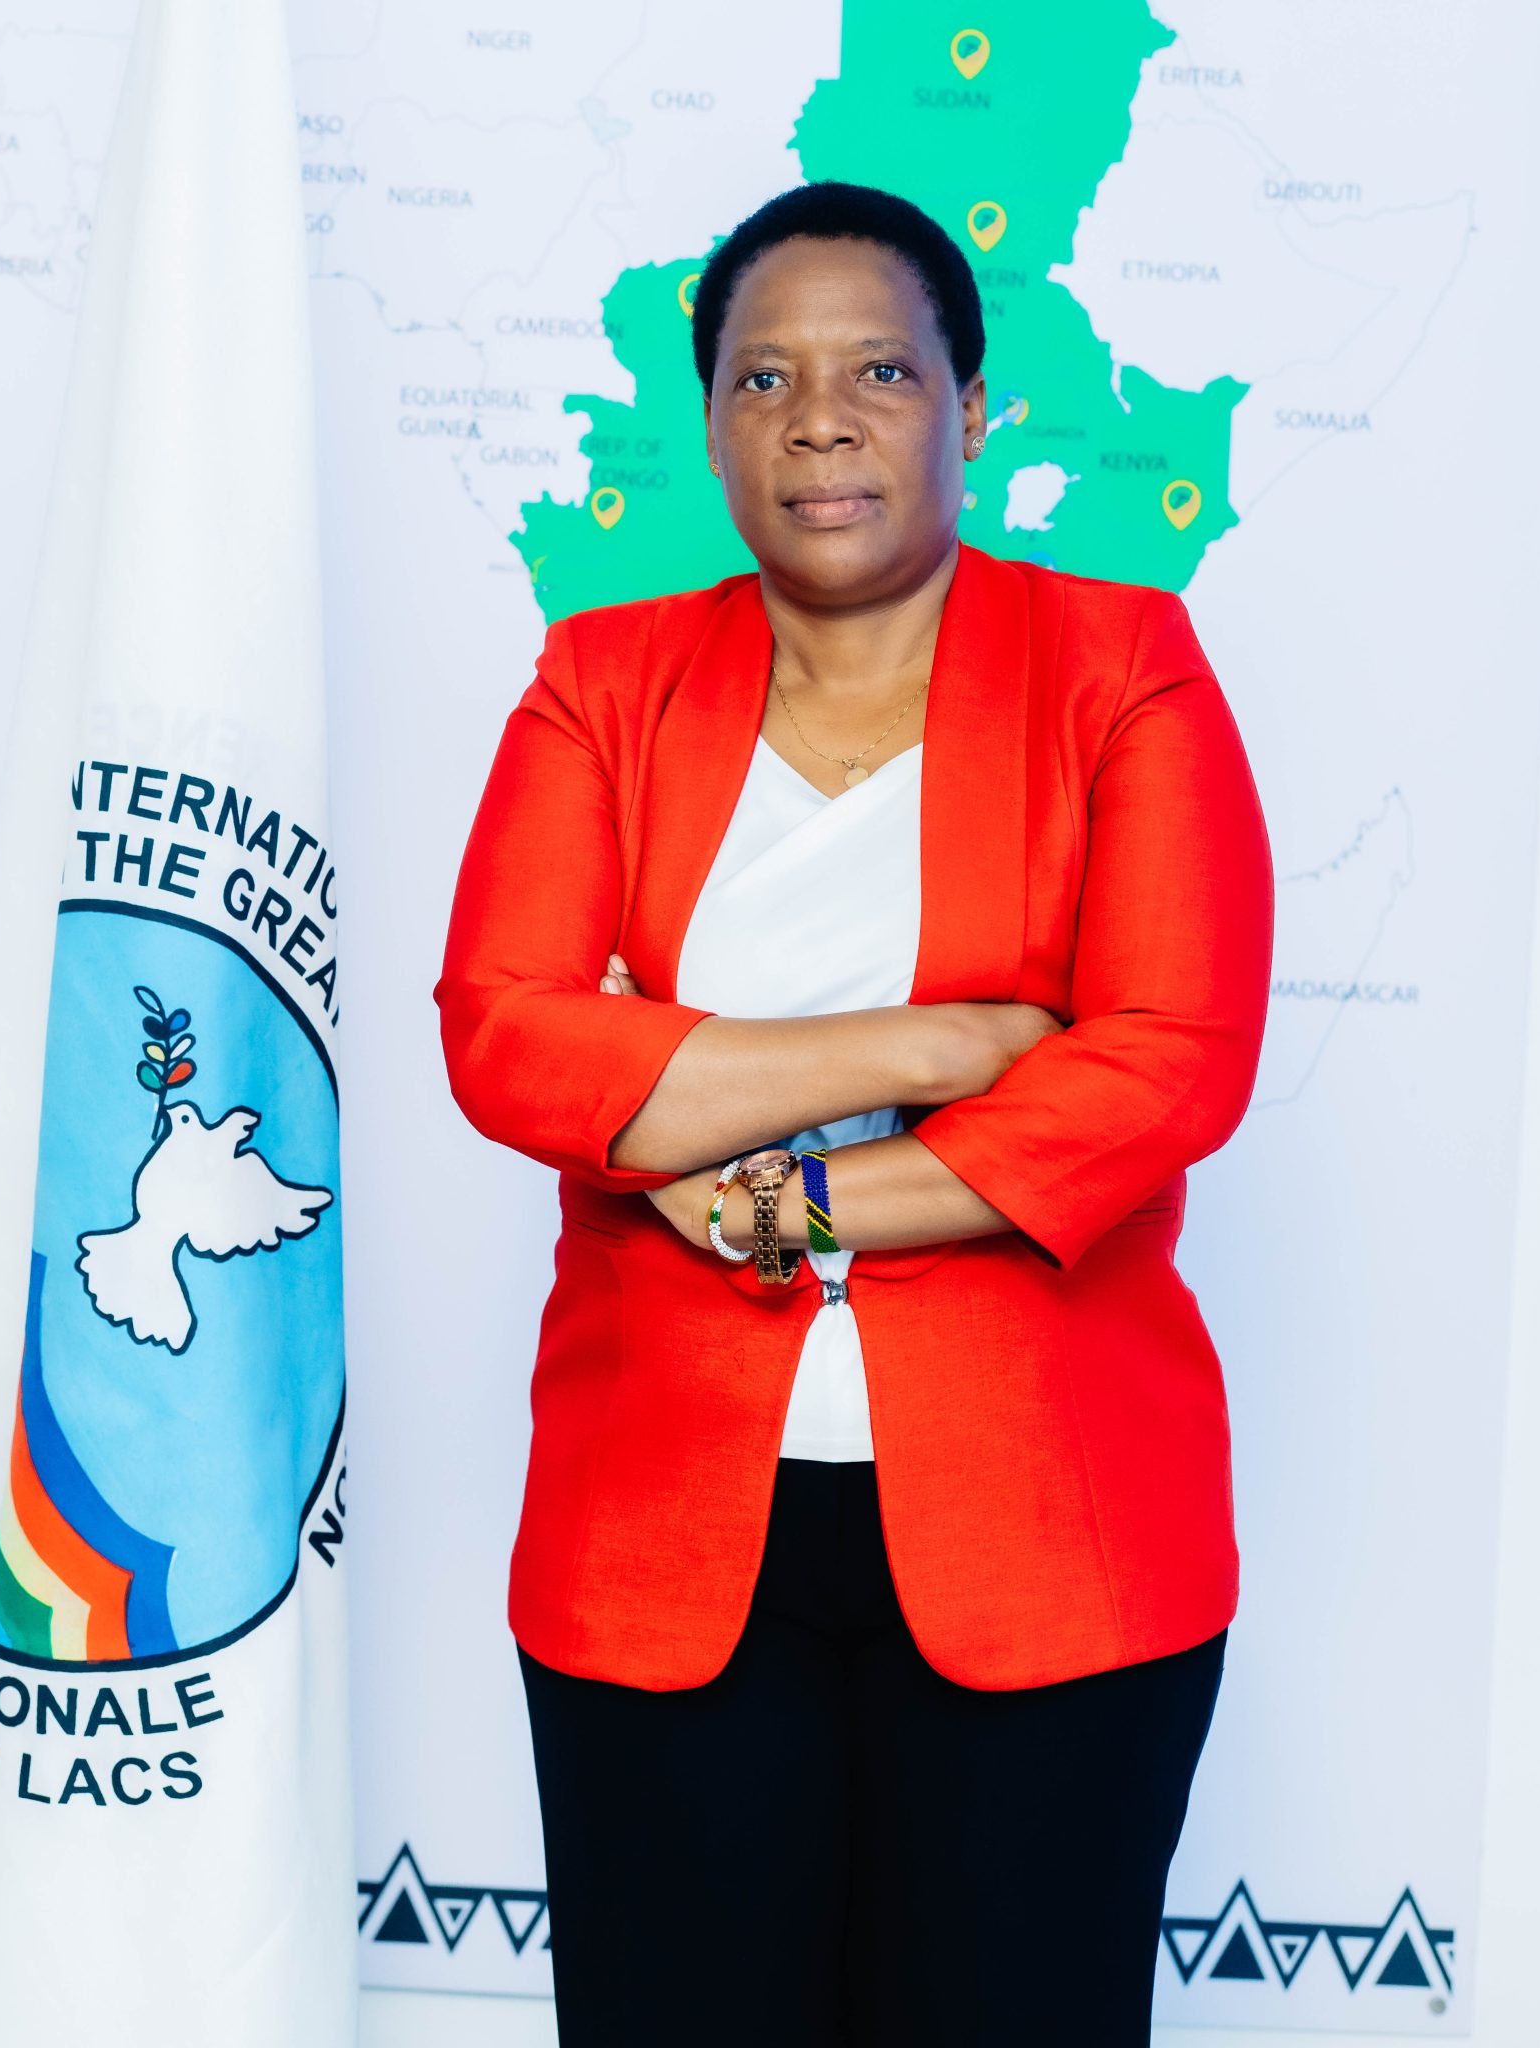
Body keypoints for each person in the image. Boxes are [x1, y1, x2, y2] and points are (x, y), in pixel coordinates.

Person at [434, 178, 1275, 2046]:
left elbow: (1163, 1061)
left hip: (1047, 1538)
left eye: (879, 371)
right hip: (659, 1543)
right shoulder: (602, 682)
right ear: (710, 422)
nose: (818, 420)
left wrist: (758, 1195)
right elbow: (509, 1039)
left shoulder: (1118, 667)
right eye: (764, 379)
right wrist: (945, 1042)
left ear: (973, 407)